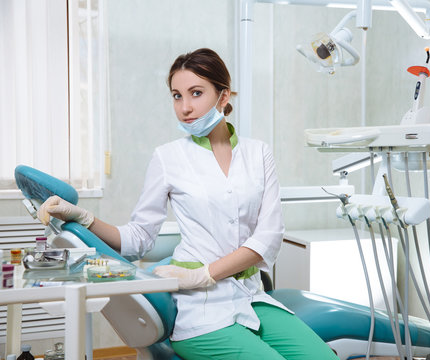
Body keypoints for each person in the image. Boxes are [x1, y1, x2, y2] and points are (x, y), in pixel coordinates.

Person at [37, 48, 339, 359]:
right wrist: (84, 217)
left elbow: (269, 235)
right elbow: (138, 239)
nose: (185, 107)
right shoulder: (168, 157)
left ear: (223, 96)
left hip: (251, 296)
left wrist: (206, 272)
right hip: (200, 309)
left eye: (196, 93)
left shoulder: (258, 153)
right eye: (177, 96)